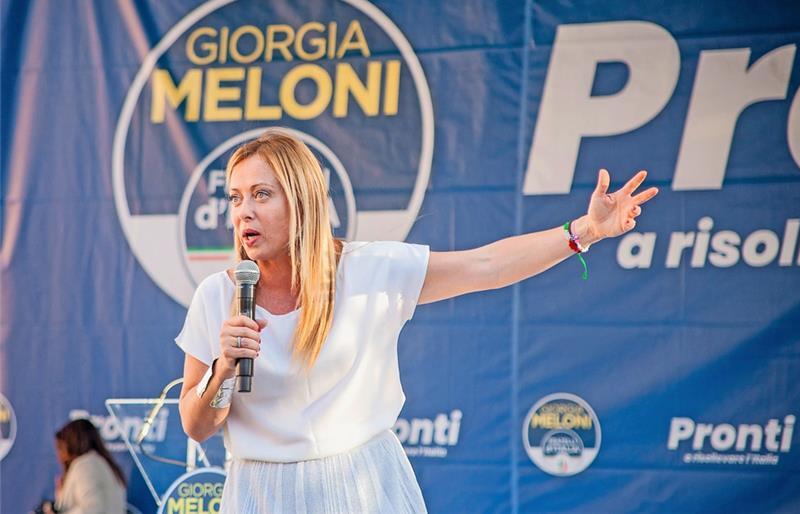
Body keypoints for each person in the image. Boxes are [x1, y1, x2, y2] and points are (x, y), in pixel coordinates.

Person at [176, 128, 658, 513]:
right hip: (260, 494)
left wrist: (585, 231)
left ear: (301, 201)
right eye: (235, 198)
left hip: (361, 487)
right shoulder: (218, 295)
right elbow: (197, 426)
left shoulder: (368, 269)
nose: (244, 212)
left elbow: (486, 266)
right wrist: (223, 370)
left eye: (261, 194)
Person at [43, 418, 127, 514]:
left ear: (72, 443)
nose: (59, 454)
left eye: (60, 447)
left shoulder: (86, 465)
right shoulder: (100, 462)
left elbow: (92, 508)